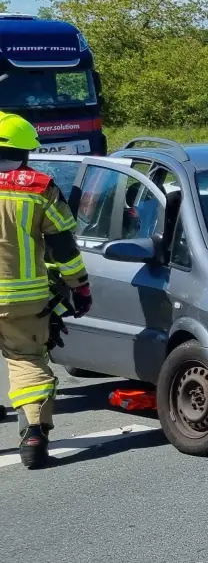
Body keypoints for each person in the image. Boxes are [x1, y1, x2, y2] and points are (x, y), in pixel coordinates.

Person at [0, 112, 91, 469]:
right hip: (24, 299)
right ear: (26, 152)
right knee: (26, 361)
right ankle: (34, 434)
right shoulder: (38, 187)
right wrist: (79, 288)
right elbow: (64, 249)